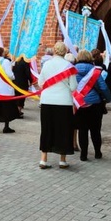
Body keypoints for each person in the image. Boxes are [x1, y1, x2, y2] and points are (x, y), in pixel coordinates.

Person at [38, 41, 78, 169]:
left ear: (54, 51)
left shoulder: (47, 64)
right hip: (63, 102)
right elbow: (73, 87)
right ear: (66, 52)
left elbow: (40, 83)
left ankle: (43, 159)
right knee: (64, 130)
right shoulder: (68, 66)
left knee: (46, 129)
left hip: (47, 101)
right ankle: (62, 159)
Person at [74, 49, 111, 161]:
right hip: (95, 104)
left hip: (80, 103)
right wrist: (108, 99)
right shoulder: (94, 71)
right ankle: (97, 152)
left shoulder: (73, 71)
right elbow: (103, 87)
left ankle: (83, 154)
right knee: (95, 130)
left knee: (82, 130)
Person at [12, 52, 33, 118]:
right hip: (22, 82)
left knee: (16, 96)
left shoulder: (15, 62)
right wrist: (31, 80)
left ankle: (15, 111)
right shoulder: (25, 63)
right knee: (21, 97)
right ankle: (18, 111)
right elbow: (28, 73)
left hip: (15, 82)